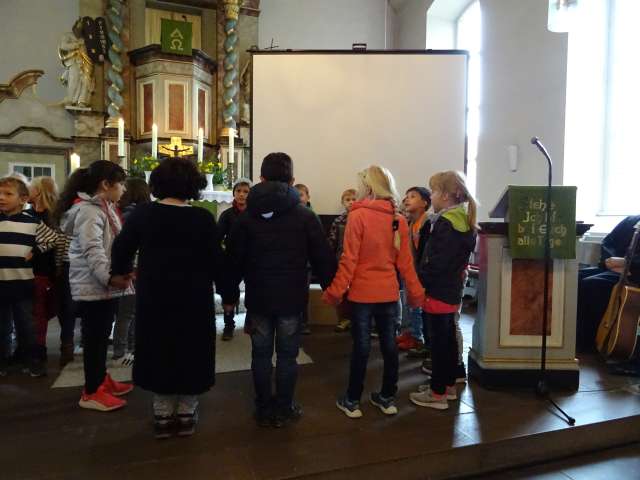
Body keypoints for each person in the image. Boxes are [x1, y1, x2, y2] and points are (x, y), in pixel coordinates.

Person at [112, 158, 228, 438]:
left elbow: (122, 247)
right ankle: (187, 411)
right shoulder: (201, 218)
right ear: (194, 185)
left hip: (155, 293)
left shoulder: (143, 214)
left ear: (158, 183)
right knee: (192, 348)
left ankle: (162, 412)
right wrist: (228, 292)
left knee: (158, 346)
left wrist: (121, 271)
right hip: (194, 296)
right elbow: (216, 260)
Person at [225, 152, 336, 428]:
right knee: (288, 355)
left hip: (259, 297)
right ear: (293, 180)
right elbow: (322, 256)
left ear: (260, 179)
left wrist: (228, 295)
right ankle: (285, 407)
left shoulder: (246, 217)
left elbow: (233, 260)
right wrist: (332, 289)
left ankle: (263, 407)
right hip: (291, 298)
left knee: (260, 355)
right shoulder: (305, 215)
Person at [322, 166, 425, 419]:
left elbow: (349, 261)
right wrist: (416, 293)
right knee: (390, 346)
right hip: (389, 294)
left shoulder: (358, 217)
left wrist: (334, 292)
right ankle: (388, 398)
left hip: (362, 295)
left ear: (368, 188)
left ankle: (352, 401)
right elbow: (406, 264)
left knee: (361, 347)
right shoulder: (398, 219)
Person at [60, 160, 134, 412]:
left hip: (101, 283)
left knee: (102, 335)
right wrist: (110, 276)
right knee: (95, 338)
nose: (123, 189)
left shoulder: (104, 207)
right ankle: (91, 391)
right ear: (106, 184)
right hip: (94, 284)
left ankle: (101, 379)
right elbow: (94, 250)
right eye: (121, 183)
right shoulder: (90, 211)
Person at [409, 171, 478, 411]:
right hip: (451, 290)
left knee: (438, 343)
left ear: (447, 196)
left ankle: (437, 393)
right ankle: (447, 386)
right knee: (446, 340)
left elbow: (436, 262)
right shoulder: (461, 220)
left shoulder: (446, 223)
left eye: (435, 191)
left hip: (437, 290)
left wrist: (421, 283)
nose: (432, 196)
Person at [0, 176, 58, 377]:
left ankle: (31, 360)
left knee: (26, 324)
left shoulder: (32, 222)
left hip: (23, 283)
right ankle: (3, 361)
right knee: (2, 327)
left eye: (8, 194)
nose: (1, 198)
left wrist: (37, 249)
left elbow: (53, 238)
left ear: (23, 199)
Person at [576, 215, 640, 354]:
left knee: (591, 284)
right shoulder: (632, 220)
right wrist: (609, 261)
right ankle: (572, 335)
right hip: (615, 269)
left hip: (634, 274)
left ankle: (588, 340)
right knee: (575, 277)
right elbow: (608, 243)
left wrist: (627, 263)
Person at [112, 177, 151, 360]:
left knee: (129, 311)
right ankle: (122, 351)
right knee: (128, 312)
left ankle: (131, 348)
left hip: (128, 267)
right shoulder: (136, 214)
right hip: (134, 267)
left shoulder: (121, 211)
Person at [52, 169, 85, 367]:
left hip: (65, 262)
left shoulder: (65, 206)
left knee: (67, 309)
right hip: (79, 263)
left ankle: (67, 345)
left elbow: (61, 240)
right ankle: (73, 345)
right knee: (77, 307)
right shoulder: (83, 207)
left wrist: (58, 264)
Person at [27, 177, 60, 373]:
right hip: (26, 269)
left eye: (31, 188)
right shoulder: (28, 213)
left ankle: (39, 348)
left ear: (40, 192)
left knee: (39, 312)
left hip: (42, 269)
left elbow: (54, 241)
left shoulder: (51, 215)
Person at [396, 186, 431, 353]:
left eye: (413, 196)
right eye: (406, 196)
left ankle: (417, 338)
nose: (407, 199)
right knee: (408, 303)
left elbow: (425, 252)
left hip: (420, 272)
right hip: (411, 270)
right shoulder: (411, 222)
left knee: (416, 306)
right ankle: (409, 332)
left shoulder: (427, 221)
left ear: (425, 203)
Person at [217, 177, 252, 341]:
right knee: (229, 291)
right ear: (233, 193)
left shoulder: (255, 214)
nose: (242, 195)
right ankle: (228, 324)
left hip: (252, 259)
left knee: (254, 290)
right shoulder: (227, 215)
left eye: (246, 191)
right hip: (232, 258)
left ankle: (250, 321)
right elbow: (217, 237)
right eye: (238, 191)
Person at [328, 188, 357, 333]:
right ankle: (344, 319)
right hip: (341, 261)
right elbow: (332, 242)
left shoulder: (362, 219)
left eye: (354, 199)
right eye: (348, 200)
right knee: (342, 292)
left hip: (358, 263)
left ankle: (357, 319)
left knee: (357, 291)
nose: (351, 202)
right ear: (342, 202)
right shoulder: (339, 221)